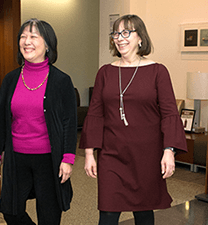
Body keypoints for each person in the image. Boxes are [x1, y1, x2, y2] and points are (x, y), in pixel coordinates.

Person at [79, 14, 187, 225]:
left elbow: (169, 113)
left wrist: (169, 151)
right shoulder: (105, 72)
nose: (120, 38)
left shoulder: (158, 71)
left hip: (146, 156)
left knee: (143, 213)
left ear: (140, 38)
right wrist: (90, 153)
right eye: (116, 33)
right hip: (111, 154)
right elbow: (95, 113)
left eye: (126, 32)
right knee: (108, 214)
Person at [0, 18, 77, 225]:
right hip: (16, 158)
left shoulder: (61, 81)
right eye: (23, 37)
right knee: (11, 211)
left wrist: (68, 158)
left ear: (47, 44)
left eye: (33, 37)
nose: (26, 41)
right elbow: (2, 120)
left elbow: (69, 123)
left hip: (49, 159)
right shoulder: (11, 79)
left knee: (49, 217)